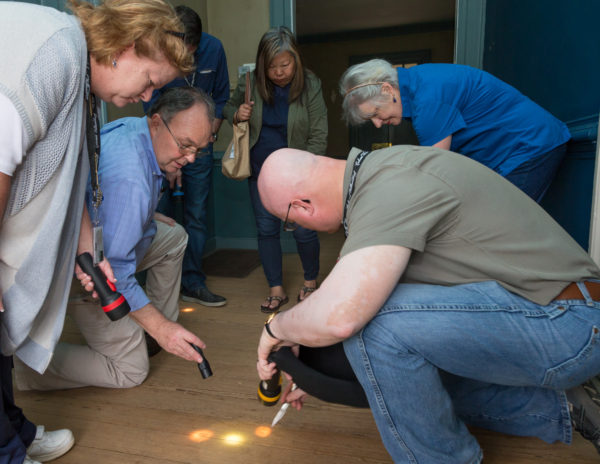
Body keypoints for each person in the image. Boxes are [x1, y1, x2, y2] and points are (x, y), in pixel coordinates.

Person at [256, 146, 600, 463]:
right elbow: (348, 304)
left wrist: (276, 329)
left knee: (375, 327)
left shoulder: (388, 190)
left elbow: (343, 315)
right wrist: (312, 368)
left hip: (569, 322)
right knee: (407, 387)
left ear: (302, 206)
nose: (299, 227)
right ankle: (565, 408)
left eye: (293, 222)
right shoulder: (381, 176)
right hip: (554, 315)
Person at [0, 0, 192, 461]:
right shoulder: (55, 53)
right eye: (149, 81)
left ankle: (13, 434)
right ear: (122, 50)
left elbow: (72, 175)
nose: (149, 98)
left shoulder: (85, 87)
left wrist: (90, 249)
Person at [15, 87, 213, 391]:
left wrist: (144, 215)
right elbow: (114, 273)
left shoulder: (136, 130)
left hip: (113, 245)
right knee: (131, 371)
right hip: (88, 276)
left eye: (197, 150)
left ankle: (152, 327)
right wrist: (162, 329)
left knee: (174, 237)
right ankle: (27, 369)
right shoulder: (130, 182)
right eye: (185, 146)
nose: (189, 158)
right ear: (158, 122)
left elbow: (109, 203)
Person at [339, 59, 571, 202]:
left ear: (388, 89)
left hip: (531, 145)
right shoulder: (420, 83)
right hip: (517, 150)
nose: (378, 123)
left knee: (503, 225)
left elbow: (436, 176)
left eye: (376, 113)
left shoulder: (427, 101)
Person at [223, 27, 328, 313]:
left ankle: (310, 282)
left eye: (285, 65)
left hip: (299, 172)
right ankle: (276, 289)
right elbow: (228, 107)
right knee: (266, 230)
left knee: (304, 232)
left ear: (296, 60)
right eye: (272, 67)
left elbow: (319, 134)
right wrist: (237, 113)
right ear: (261, 65)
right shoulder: (251, 82)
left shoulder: (310, 84)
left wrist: (303, 172)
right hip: (260, 171)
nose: (279, 72)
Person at [143, 5, 229, 308]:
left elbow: (220, 99)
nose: (185, 60)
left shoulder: (214, 49)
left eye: (190, 53)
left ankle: (193, 282)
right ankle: (159, 290)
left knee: (196, 214)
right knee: (159, 213)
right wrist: (170, 156)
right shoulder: (159, 51)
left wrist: (205, 140)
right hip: (161, 149)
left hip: (200, 150)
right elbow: (151, 104)